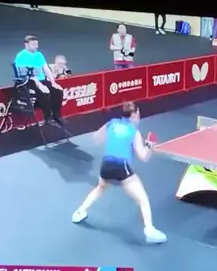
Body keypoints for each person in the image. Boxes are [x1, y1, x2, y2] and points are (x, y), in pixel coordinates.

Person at [72, 101, 167, 244]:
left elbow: (96, 138)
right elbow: (143, 157)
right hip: (121, 167)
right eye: (138, 113)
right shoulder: (134, 132)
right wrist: (150, 147)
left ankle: (79, 212)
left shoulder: (111, 123)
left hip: (106, 165)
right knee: (143, 199)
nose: (139, 116)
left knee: (100, 188)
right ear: (134, 114)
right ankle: (149, 230)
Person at [14, 35, 65, 126]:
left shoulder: (39, 55)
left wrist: (53, 82)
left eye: (37, 44)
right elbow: (25, 74)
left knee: (58, 90)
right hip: (28, 81)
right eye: (33, 44)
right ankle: (47, 118)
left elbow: (46, 68)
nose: (36, 46)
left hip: (41, 80)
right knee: (45, 92)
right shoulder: (21, 56)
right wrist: (39, 85)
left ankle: (56, 116)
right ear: (26, 45)